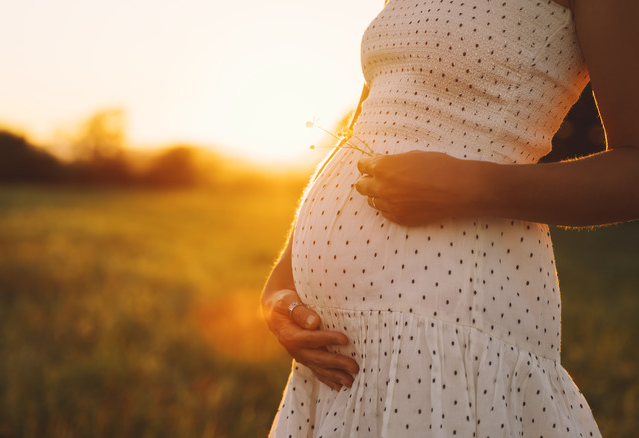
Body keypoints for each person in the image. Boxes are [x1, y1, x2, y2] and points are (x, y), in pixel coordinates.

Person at [261, 0, 638, 436]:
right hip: (338, 347)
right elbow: (369, 125)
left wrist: (470, 185)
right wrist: (281, 285)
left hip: (449, 325)